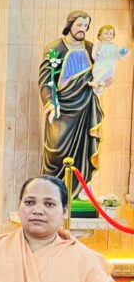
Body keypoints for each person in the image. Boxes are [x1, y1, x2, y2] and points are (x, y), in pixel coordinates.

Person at [40, 10, 103, 185]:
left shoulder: (91, 48)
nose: (83, 29)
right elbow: (46, 79)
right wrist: (50, 103)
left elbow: (99, 73)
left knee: (83, 149)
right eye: (79, 25)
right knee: (55, 150)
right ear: (70, 25)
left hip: (85, 107)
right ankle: (51, 188)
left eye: (86, 25)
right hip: (61, 109)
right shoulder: (55, 48)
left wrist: (103, 81)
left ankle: (80, 188)